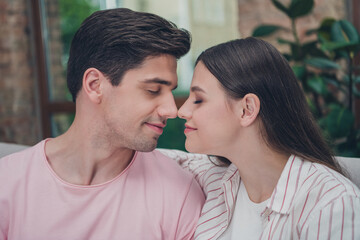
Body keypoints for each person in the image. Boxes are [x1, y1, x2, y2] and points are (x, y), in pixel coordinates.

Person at [0, 8, 204, 240]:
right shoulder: (7, 184)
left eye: (170, 91)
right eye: (153, 90)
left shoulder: (178, 193)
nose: (171, 110)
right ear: (95, 85)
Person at [175, 37, 360, 239]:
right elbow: (154, 158)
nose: (182, 111)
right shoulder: (215, 178)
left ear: (247, 109)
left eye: (198, 100)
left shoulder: (332, 204)